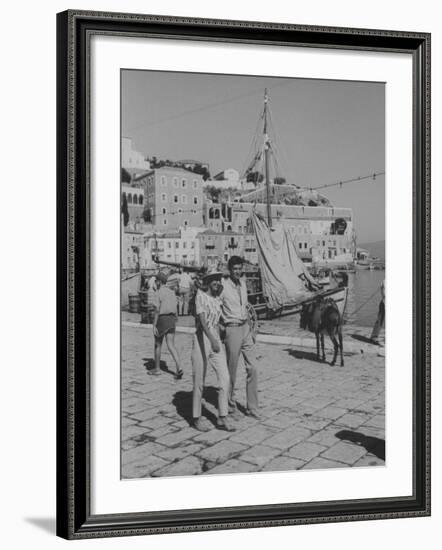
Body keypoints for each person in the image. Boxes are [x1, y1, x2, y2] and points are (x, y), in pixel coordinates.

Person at [191, 271, 235, 432]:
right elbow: (202, 321)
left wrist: (219, 336)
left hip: (215, 338)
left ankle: (222, 416)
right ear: (208, 282)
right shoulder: (200, 296)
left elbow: (217, 321)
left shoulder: (217, 299)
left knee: (225, 377)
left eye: (219, 280)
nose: (217, 283)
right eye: (214, 280)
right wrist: (212, 339)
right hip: (202, 338)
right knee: (199, 379)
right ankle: (196, 417)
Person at [220, 256, 260, 419]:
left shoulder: (243, 284)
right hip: (232, 329)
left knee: (253, 367)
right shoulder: (222, 285)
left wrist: (251, 328)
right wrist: (221, 327)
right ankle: (230, 404)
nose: (238, 271)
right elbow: (215, 305)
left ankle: (252, 407)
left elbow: (246, 307)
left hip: (245, 328)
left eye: (239, 268)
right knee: (232, 370)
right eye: (234, 269)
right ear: (230, 270)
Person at [150, 272, 184, 379]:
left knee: (158, 344)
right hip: (172, 319)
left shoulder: (159, 292)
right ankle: (179, 367)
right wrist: (175, 319)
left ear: (159, 282)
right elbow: (176, 308)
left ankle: (157, 369)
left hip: (162, 319)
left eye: (156, 281)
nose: (155, 282)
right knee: (171, 345)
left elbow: (156, 310)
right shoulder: (171, 292)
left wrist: (154, 325)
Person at [370, 280, 385, 345]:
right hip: (384, 303)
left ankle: (374, 336)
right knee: (380, 320)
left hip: (384, 302)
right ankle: (374, 336)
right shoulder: (385, 281)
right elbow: (384, 293)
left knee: (380, 320)